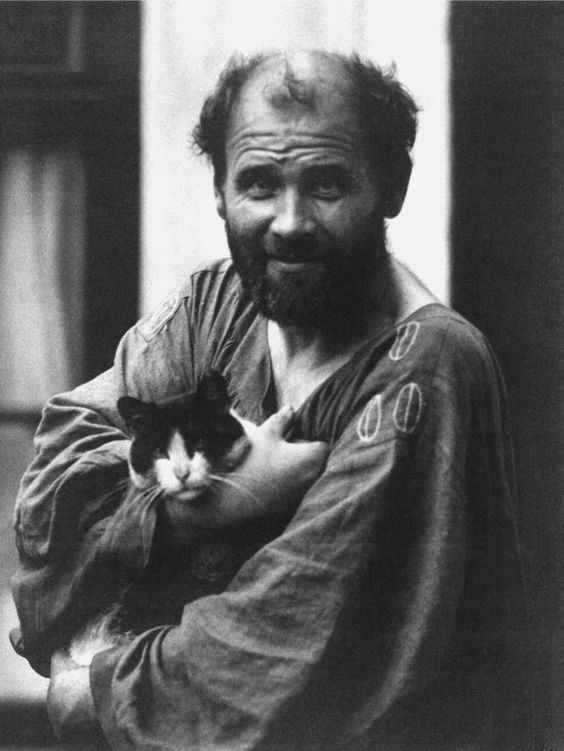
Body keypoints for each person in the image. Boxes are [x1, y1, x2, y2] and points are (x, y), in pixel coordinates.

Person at [11, 50, 530, 750]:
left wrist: (90, 692)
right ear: (220, 192)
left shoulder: (424, 371)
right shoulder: (213, 306)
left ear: (393, 187)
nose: (289, 222)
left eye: (326, 184)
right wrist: (212, 508)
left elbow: (275, 649)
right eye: (258, 183)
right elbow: (47, 506)